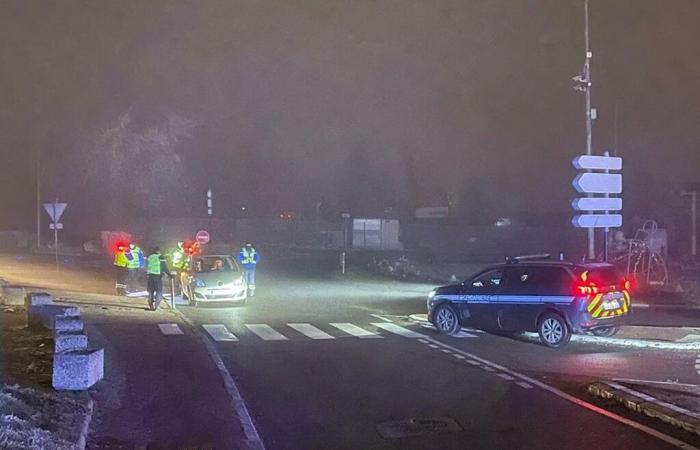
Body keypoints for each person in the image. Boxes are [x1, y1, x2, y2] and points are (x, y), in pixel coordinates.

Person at [146, 247, 171, 311]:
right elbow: (164, 267)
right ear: (159, 251)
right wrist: (170, 275)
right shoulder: (161, 257)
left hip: (150, 276)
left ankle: (151, 306)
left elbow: (147, 265)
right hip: (157, 277)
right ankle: (157, 306)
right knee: (159, 291)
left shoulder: (150, 257)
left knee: (150, 292)